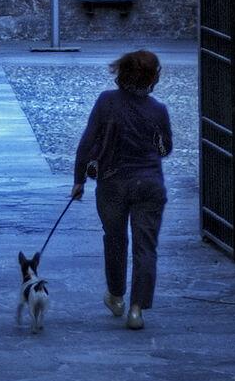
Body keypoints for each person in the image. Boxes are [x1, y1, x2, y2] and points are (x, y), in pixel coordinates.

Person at [70, 49, 173, 330]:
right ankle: (137, 310)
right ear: (153, 78)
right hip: (149, 184)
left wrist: (79, 179)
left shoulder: (107, 102)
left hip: (113, 183)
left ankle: (116, 296)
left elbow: (88, 141)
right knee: (146, 247)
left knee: (115, 240)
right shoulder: (158, 111)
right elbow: (165, 149)